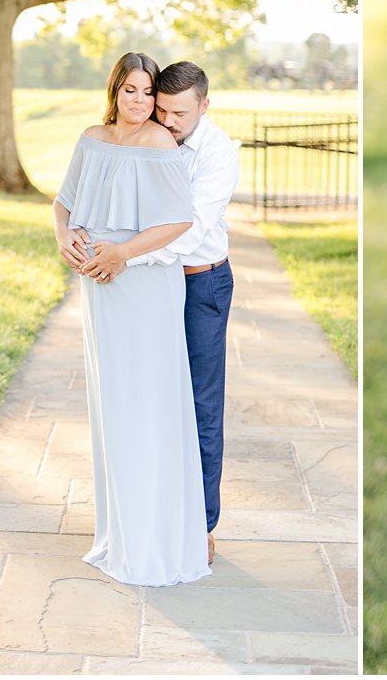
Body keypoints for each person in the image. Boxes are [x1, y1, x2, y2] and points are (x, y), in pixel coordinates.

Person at [52, 51, 209, 588]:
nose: (140, 102)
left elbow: (179, 221)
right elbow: (63, 203)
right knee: (114, 403)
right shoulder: (93, 138)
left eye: (148, 93)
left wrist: (121, 254)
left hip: (141, 284)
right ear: (115, 90)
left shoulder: (161, 144)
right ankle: (118, 533)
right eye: (131, 91)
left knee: (149, 402)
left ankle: (155, 542)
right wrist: (66, 238)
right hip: (99, 288)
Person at [151, 61, 240, 564]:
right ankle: (159, 511)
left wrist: (129, 255)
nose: (168, 120)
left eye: (179, 112)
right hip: (154, 286)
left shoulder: (218, 153)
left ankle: (202, 524)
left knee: (202, 406)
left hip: (200, 284)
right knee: (159, 401)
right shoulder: (152, 137)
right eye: (162, 109)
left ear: (205, 106)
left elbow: (189, 229)